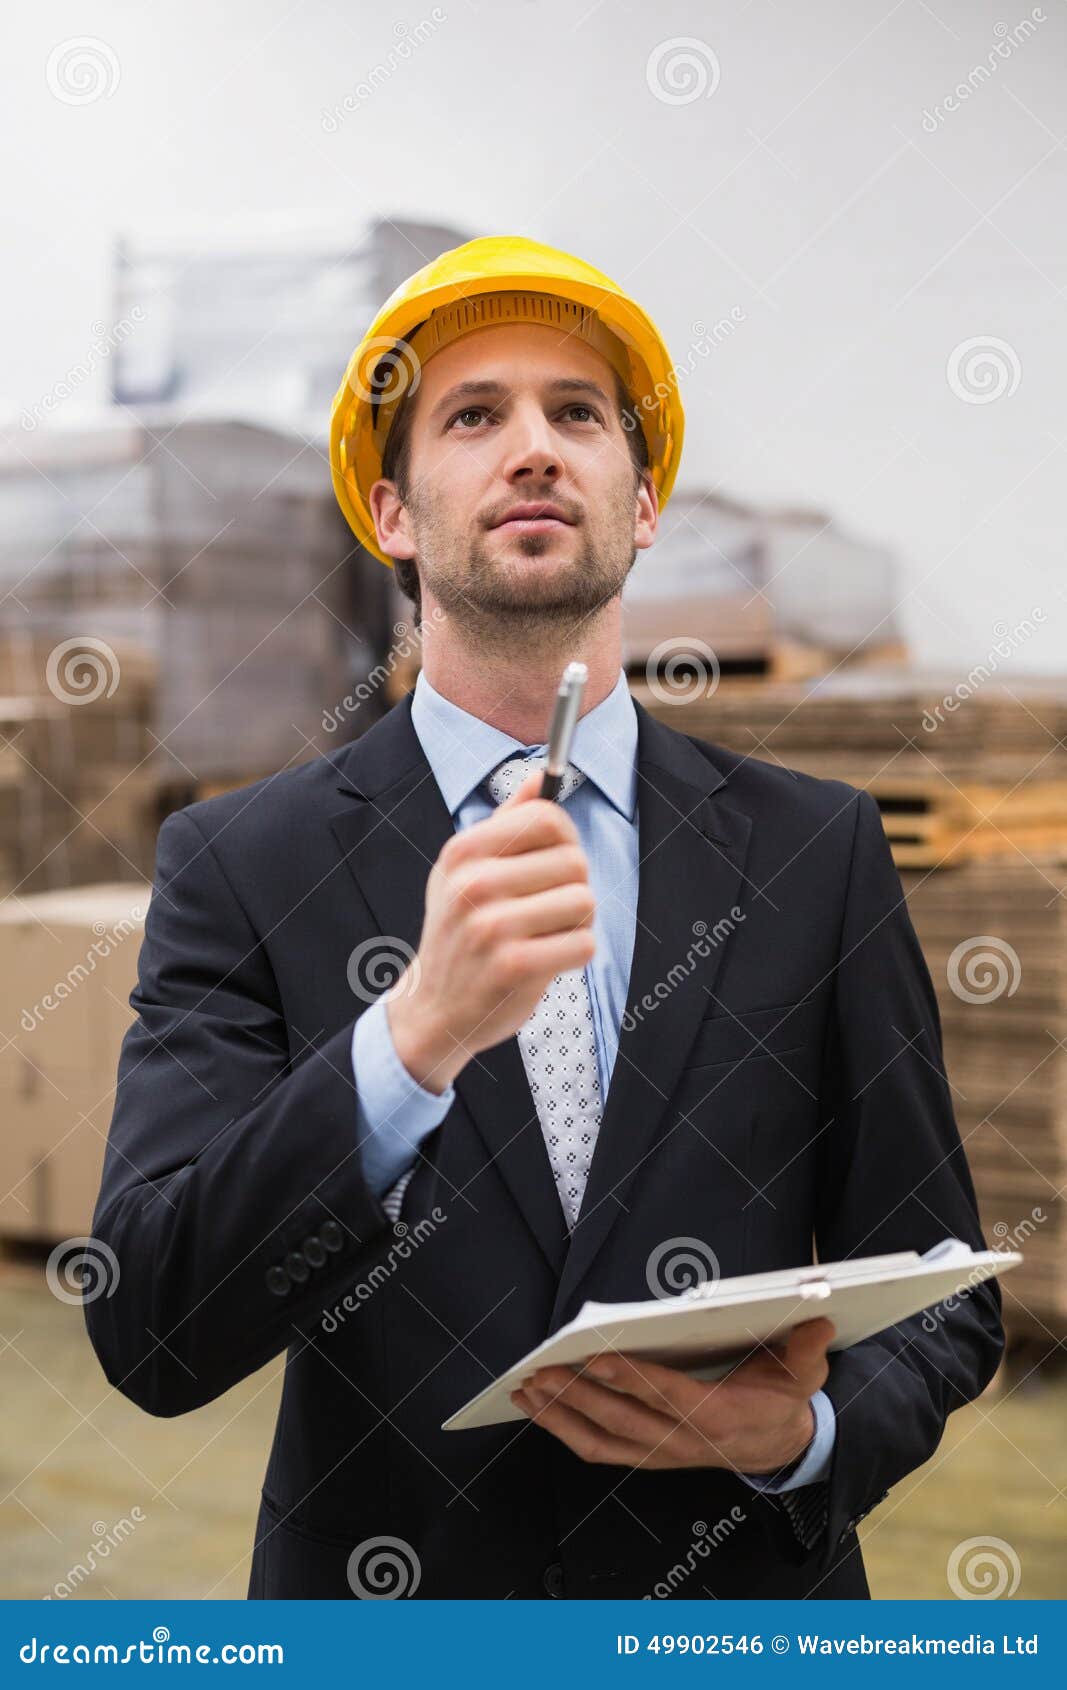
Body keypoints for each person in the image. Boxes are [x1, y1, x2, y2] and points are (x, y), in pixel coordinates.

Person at [85, 236, 1002, 1600]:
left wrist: (802, 1433)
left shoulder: (817, 852)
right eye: (474, 415)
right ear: (391, 515)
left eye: (578, 414)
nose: (534, 448)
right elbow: (153, 1323)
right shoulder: (239, 864)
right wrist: (409, 1041)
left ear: (642, 509)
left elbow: (944, 1287)